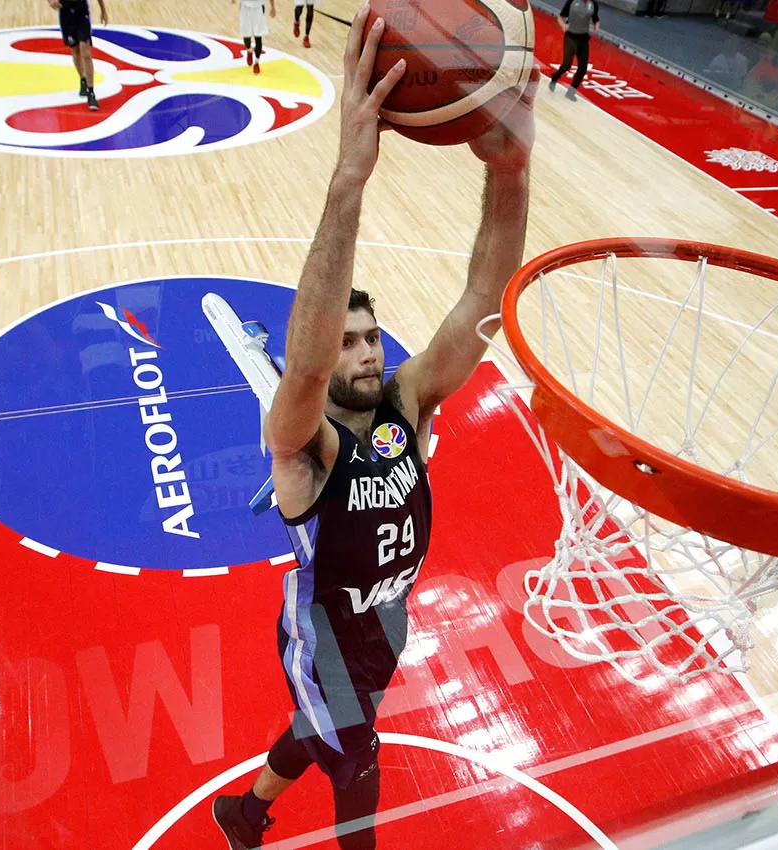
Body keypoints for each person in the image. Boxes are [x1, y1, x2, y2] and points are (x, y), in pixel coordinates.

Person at [209, 8, 536, 850]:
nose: (362, 351)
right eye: (344, 338)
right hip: (321, 640)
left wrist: (512, 171)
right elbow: (308, 369)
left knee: (322, 736)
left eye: (369, 336)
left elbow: (482, 303)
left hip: (385, 621)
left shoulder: (408, 402)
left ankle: (243, 813)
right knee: (357, 765)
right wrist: (349, 178)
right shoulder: (302, 442)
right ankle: (265, 818)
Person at [47, 0, 108, 111]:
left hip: (81, 12)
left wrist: (103, 11)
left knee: (86, 52)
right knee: (75, 50)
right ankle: (83, 79)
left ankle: (91, 92)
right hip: (66, 13)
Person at [549, 0, 600, 100]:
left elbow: (596, 19)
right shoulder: (572, 1)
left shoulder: (593, 4)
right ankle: (555, 77)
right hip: (570, 38)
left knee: (583, 68)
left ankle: (571, 91)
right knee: (566, 65)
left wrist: (596, 29)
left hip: (584, 40)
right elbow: (560, 16)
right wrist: (563, 26)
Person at [236, 0, 278, 74]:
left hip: (258, 8)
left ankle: (256, 62)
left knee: (258, 36)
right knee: (246, 37)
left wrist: (273, 7)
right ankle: (249, 50)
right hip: (245, 8)